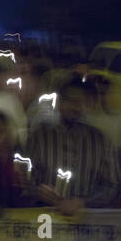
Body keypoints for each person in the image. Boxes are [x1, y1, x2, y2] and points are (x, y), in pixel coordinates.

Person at [26, 77, 120, 215]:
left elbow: (112, 185)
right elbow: (26, 180)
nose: (75, 106)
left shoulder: (101, 141)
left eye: (82, 101)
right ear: (59, 102)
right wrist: (39, 191)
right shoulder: (39, 137)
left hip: (86, 222)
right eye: (69, 99)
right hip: (45, 218)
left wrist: (83, 202)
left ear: (90, 105)